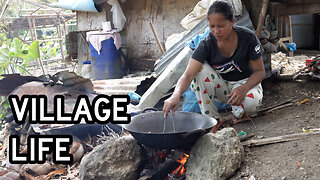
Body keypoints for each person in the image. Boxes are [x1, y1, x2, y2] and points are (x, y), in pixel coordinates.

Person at [163, 0, 265, 131]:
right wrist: (175, 95)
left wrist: (244, 88)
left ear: (232, 22)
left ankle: (238, 113)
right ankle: (213, 120)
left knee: (251, 103)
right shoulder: (207, 43)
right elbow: (188, 74)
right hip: (222, 88)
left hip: (246, 84)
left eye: (221, 26)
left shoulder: (247, 38)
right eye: (212, 26)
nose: (216, 31)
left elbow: (260, 72)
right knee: (199, 71)